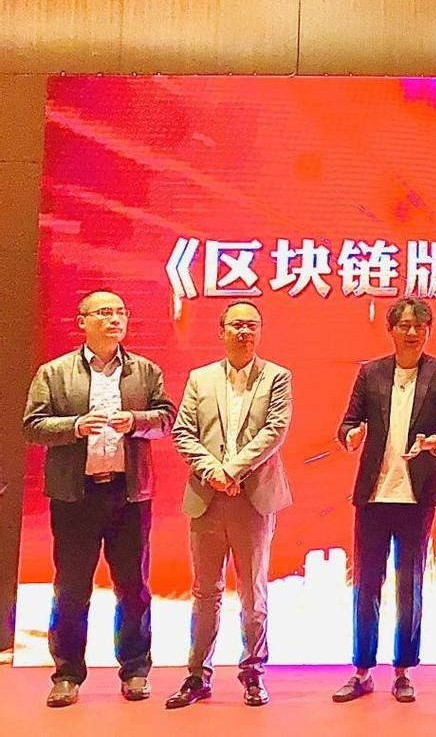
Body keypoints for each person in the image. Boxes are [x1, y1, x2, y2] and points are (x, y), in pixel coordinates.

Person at [22, 290, 176, 708]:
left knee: (133, 586)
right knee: (71, 588)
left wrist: (136, 421)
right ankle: (67, 674)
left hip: (129, 494)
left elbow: (166, 419)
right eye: (104, 313)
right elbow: (32, 426)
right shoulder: (54, 372)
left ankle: (135, 669)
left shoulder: (145, 371)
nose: (114, 320)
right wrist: (75, 426)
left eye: (120, 312)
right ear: (82, 321)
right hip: (76, 496)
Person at [331, 297, 436, 704]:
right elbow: (348, 422)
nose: (412, 332)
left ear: (428, 331)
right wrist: (351, 435)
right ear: (391, 330)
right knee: (367, 583)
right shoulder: (371, 373)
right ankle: (362, 670)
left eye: (419, 326)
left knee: (410, 583)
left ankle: (403, 671)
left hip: (417, 494)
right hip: (374, 494)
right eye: (404, 325)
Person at [166, 301, 293, 709]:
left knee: (254, 592)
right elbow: (183, 432)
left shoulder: (277, 377)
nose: (245, 332)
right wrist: (213, 472)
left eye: (252, 325)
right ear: (221, 331)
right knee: (205, 592)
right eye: (237, 324)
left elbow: (275, 430)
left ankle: (253, 672)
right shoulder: (200, 378)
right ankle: (197, 675)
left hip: (253, 498)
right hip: (207, 497)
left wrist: (232, 470)